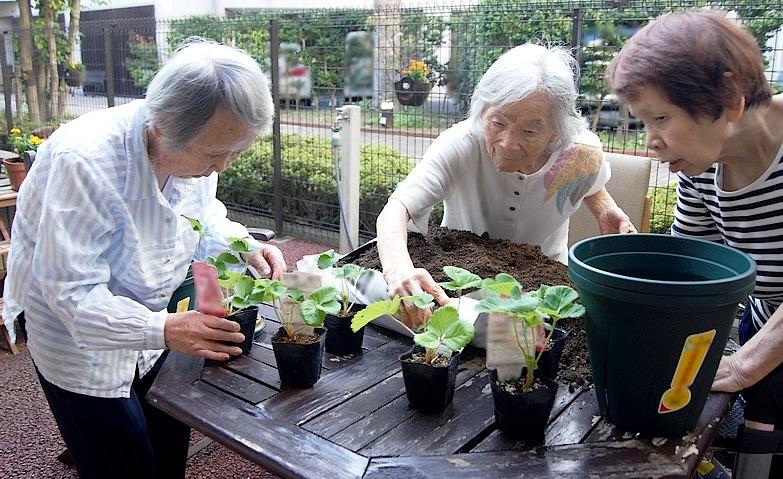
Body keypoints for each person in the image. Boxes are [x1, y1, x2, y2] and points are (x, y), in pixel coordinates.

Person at [1, 40, 286, 478]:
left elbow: (203, 218)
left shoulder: (189, 149)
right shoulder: (85, 161)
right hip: (76, 343)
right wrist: (165, 328)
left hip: (156, 329)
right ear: (163, 126)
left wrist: (245, 243)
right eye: (215, 154)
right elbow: (71, 293)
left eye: (237, 152)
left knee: (167, 444)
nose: (223, 167)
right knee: (120, 460)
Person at [606, 9, 783, 478]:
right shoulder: (702, 167)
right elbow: (685, 271)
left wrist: (744, 366)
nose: (651, 142)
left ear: (728, 97)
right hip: (767, 319)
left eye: (660, 117)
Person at [377, 43, 636, 325]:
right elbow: (397, 209)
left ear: (556, 132)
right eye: (497, 123)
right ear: (483, 109)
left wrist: (604, 209)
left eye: (529, 131)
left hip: (545, 291)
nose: (508, 143)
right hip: (462, 286)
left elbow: (592, 185)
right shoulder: (461, 144)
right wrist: (398, 271)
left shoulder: (581, 153)